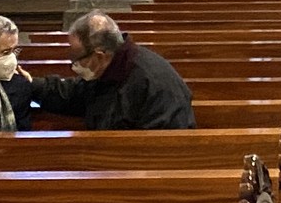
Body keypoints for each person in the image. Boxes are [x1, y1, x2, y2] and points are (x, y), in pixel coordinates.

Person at [28, 11, 195, 130]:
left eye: (77, 58)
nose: (74, 66)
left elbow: (162, 144)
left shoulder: (151, 82)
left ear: (100, 56)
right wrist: (30, 84)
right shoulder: (111, 68)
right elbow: (73, 94)